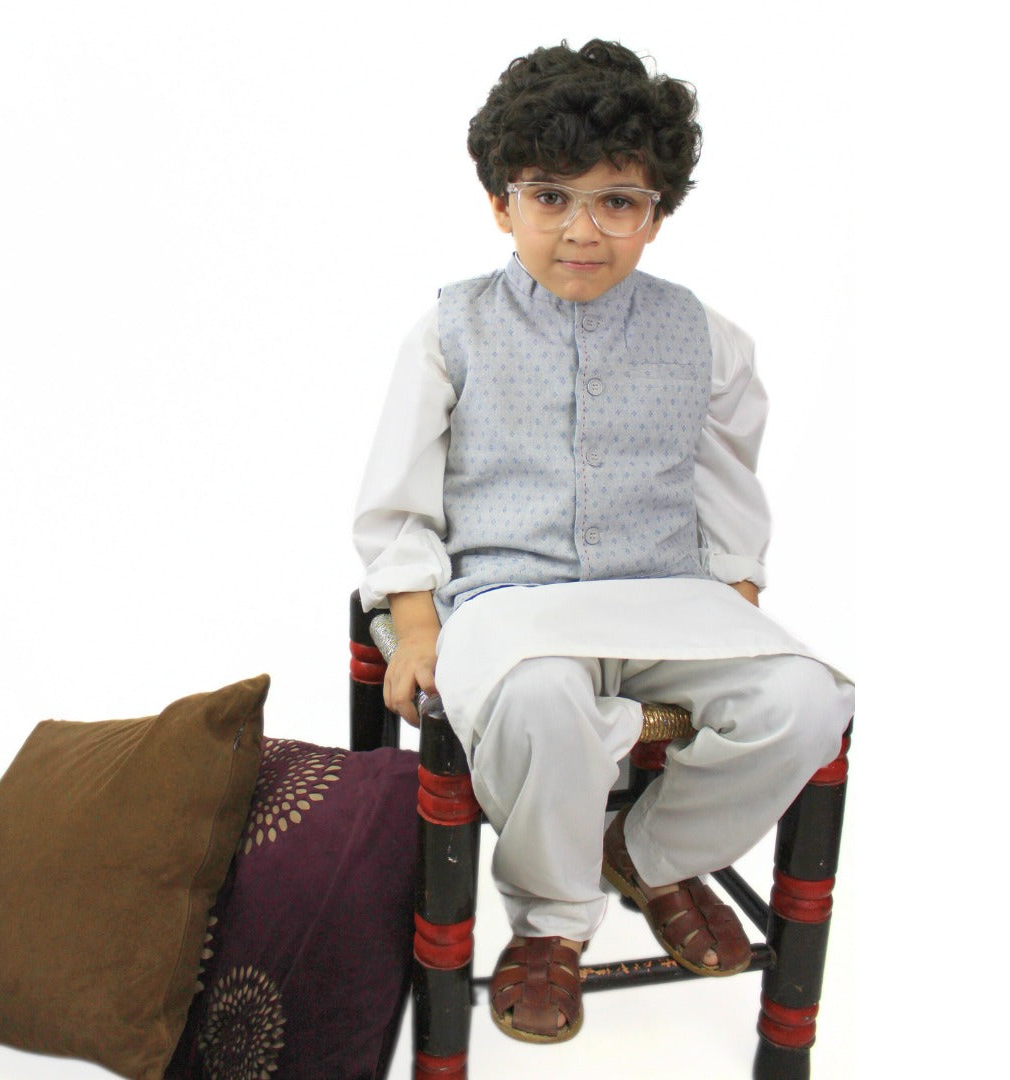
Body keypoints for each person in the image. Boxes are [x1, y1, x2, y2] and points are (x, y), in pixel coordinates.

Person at [353, 38, 853, 1045]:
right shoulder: (451, 331)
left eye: (618, 201)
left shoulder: (702, 335)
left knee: (807, 699)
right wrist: (415, 625)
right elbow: (400, 503)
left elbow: (726, 483)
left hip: (665, 599)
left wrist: (736, 604)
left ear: (656, 214)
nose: (583, 229)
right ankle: (552, 922)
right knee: (544, 699)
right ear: (502, 204)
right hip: (510, 603)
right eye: (551, 197)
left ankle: (649, 855)